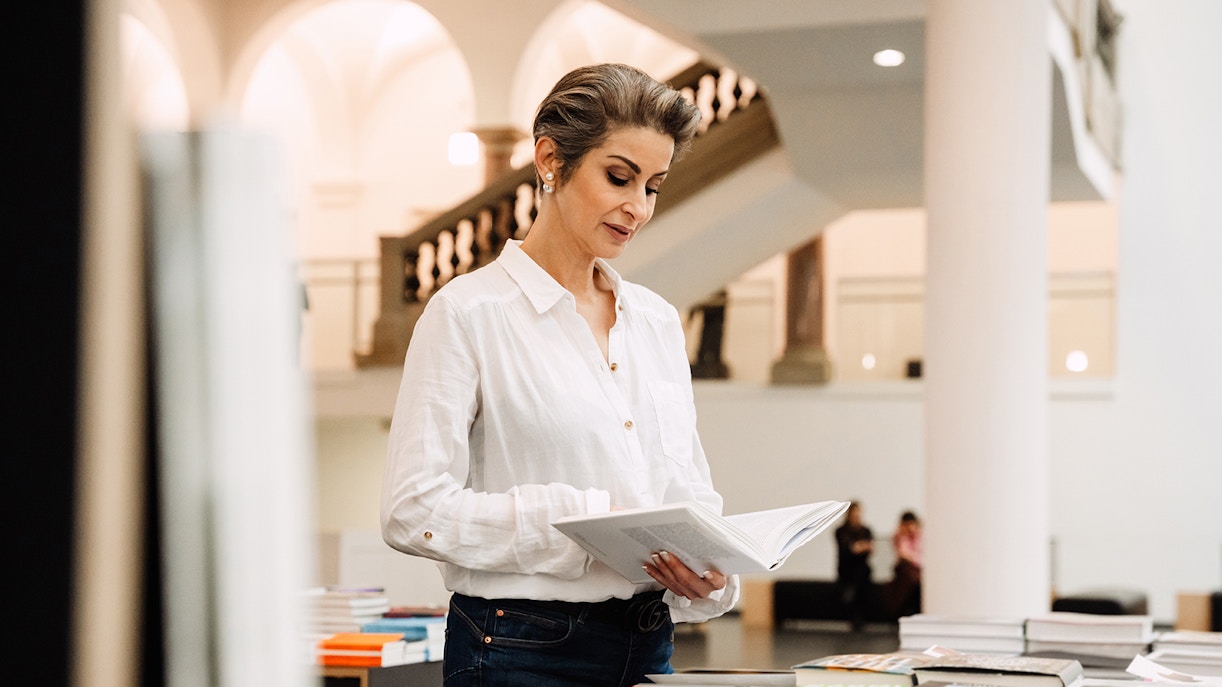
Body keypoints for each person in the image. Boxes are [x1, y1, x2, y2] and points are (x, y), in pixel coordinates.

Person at [380, 63, 737, 687]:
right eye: (619, 177)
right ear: (551, 159)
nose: (638, 208)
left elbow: (686, 484)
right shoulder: (466, 314)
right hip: (519, 647)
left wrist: (711, 575)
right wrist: (576, 523)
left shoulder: (654, 321)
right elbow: (412, 510)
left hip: (651, 645)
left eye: (653, 186)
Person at [834, 501, 874, 631]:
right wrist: (859, 547)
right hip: (847, 569)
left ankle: (859, 615)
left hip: (861, 569)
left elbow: (867, 549)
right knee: (858, 575)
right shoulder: (840, 531)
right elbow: (848, 550)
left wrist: (858, 547)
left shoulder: (866, 530)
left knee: (863, 573)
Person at [888, 510, 923, 618]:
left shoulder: (921, 536)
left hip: (918, 569)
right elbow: (903, 554)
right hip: (907, 569)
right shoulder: (899, 536)